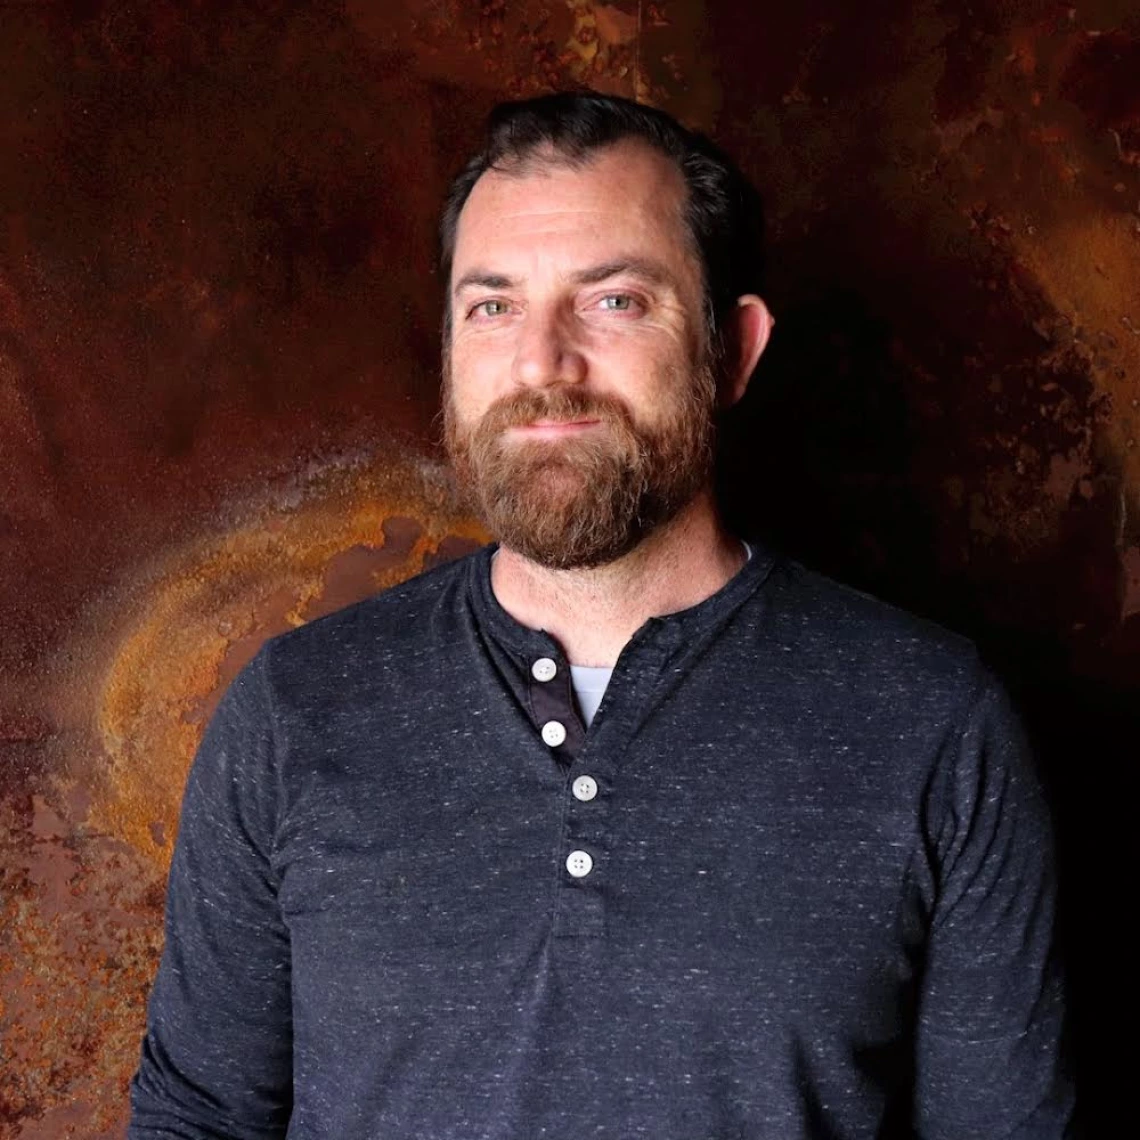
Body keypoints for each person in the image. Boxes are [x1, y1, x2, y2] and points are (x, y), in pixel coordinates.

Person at [129, 92, 1074, 1139]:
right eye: (492, 307)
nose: (543, 364)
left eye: (615, 301)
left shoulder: (934, 725)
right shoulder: (295, 711)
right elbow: (197, 1117)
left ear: (734, 350)